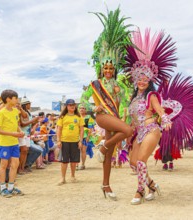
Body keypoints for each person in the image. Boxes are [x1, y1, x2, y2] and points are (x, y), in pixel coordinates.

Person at [125, 28, 193, 205]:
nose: (142, 82)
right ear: (135, 80)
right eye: (139, 79)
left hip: (152, 130)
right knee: (134, 163)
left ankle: (140, 191)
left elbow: (160, 111)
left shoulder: (151, 96)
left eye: (145, 79)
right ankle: (152, 185)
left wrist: (165, 120)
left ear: (149, 81)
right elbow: (131, 119)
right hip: (138, 132)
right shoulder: (133, 98)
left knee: (142, 161)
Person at [81, 7, 133, 200]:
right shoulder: (94, 84)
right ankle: (102, 147)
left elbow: (126, 100)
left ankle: (106, 185)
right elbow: (82, 103)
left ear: (115, 68)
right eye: (106, 67)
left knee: (111, 153)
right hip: (103, 117)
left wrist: (123, 97)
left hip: (115, 116)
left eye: (111, 67)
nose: (109, 70)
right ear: (101, 68)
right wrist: (93, 107)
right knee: (127, 131)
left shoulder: (119, 84)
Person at [0, 89, 25, 198]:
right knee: (4, 165)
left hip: (14, 143)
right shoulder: (1, 113)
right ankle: (3, 188)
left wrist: (19, 131)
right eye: (15, 98)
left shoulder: (16, 111)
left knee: (15, 164)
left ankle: (11, 188)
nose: (17, 100)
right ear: (8, 99)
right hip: (4, 143)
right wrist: (12, 133)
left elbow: (15, 124)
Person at [56, 99, 84, 184]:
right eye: (70, 105)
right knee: (64, 161)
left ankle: (72, 176)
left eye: (73, 105)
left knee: (74, 161)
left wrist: (80, 141)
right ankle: (63, 178)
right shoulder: (62, 117)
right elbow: (59, 129)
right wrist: (58, 140)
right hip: (64, 141)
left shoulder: (79, 117)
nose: (72, 106)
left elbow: (81, 130)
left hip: (75, 142)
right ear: (67, 106)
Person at [78, 104, 95, 170]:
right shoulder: (77, 117)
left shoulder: (89, 118)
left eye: (83, 108)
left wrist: (88, 136)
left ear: (86, 110)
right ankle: (76, 164)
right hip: (76, 136)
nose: (82, 109)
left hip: (85, 136)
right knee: (76, 151)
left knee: (83, 150)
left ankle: (82, 164)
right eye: (80, 108)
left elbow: (90, 128)